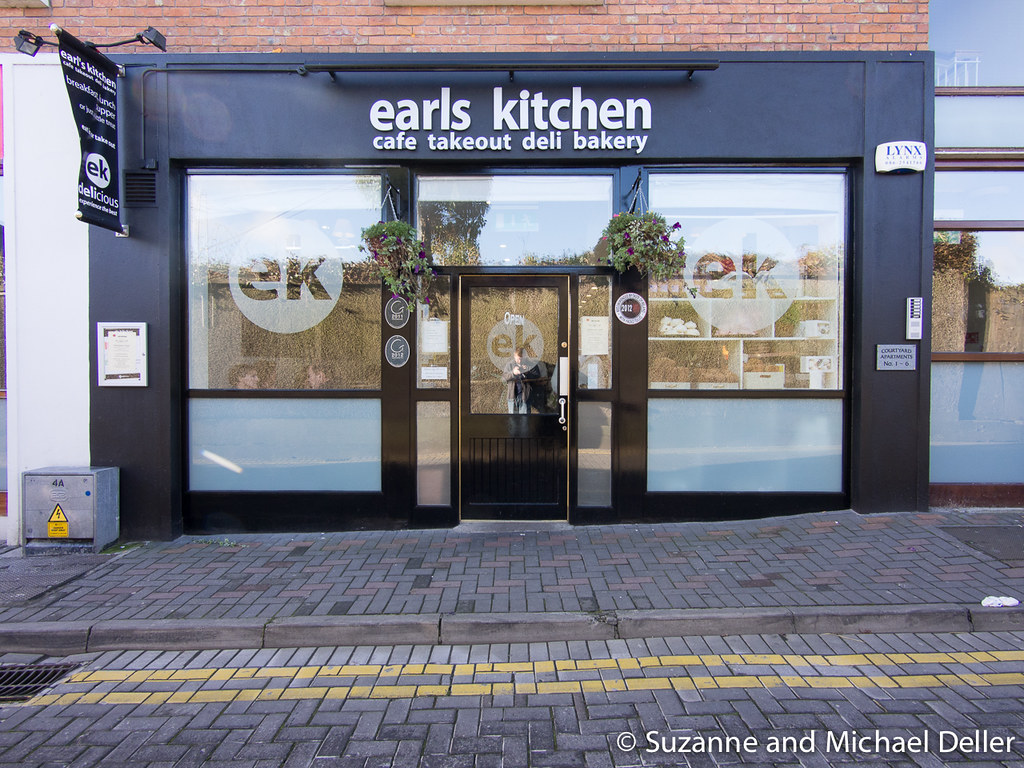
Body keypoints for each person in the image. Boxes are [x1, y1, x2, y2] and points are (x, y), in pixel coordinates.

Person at [502, 347, 533, 414]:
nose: (519, 360)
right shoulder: (510, 365)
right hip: (512, 397)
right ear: (514, 356)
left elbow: (536, 377)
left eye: (521, 358)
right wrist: (513, 373)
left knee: (525, 421)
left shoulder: (529, 364)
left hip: (525, 396)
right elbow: (504, 378)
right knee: (512, 420)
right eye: (518, 358)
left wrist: (527, 371)